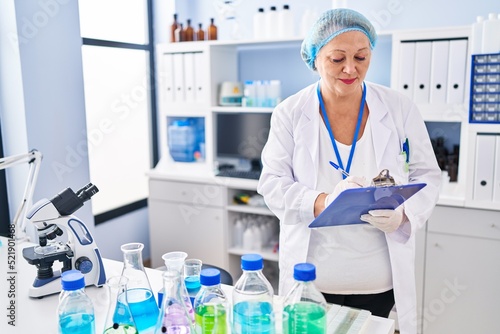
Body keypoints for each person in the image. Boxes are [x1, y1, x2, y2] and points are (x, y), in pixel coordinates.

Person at [257, 8, 441, 334]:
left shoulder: (398, 108)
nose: (350, 69)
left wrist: (404, 213)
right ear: (315, 59)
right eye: (337, 58)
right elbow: (271, 183)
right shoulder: (290, 113)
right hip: (314, 279)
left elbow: (428, 174)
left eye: (361, 56)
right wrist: (323, 202)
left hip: (379, 279)